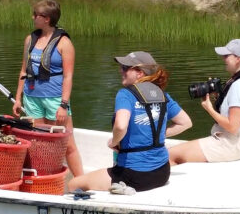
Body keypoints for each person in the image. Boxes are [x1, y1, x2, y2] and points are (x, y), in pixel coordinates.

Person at [67, 51, 192, 195]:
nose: (121, 70)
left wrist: (113, 142)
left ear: (139, 73)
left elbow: (121, 126)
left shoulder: (125, 94)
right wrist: (157, 135)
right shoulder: (163, 96)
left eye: (126, 68)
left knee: (73, 184)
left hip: (133, 175)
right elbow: (186, 123)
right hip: (162, 173)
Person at [12, 0, 84, 176]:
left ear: (47, 18)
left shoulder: (64, 43)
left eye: (36, 15)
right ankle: (42, 177)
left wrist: (64, 105)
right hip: (32, 96)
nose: (33, 17)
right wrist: (18, 98)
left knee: (66, 143)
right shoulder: (30, 39)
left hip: (54, 99)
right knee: (37, 142)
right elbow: (23, 70)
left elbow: (68, 76)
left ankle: (81, 182)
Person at [169, 39, 240, 165]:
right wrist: (221, 99)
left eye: (226, 56)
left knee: (169, 155)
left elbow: (233, 126)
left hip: (229, 145)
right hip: (237, 142)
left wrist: (209, 108)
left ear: (238, 58)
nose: (223, 58)